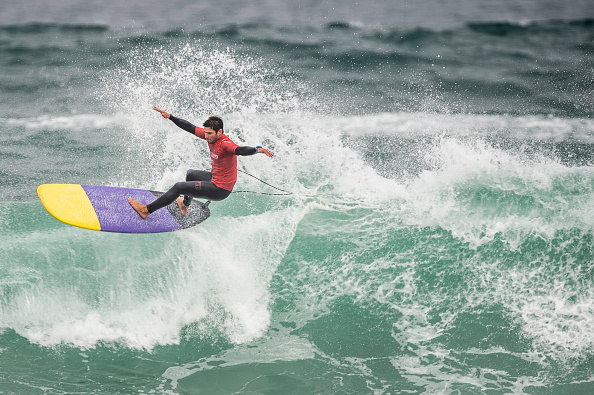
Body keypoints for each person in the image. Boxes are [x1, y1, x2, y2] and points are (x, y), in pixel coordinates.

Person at [128, 106, 273, 219]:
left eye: (210, 134)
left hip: (219, 189)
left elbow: (240, 150)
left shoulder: (225, 144)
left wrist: (256, 149)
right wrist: (171, 117)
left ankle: (146, 210)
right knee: (191, 174)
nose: (206, 136)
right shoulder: (209, 136)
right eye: (206, 133)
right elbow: (190, 127)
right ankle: (185, 206)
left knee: (179, 187)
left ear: (220, 132)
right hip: (215, 178)